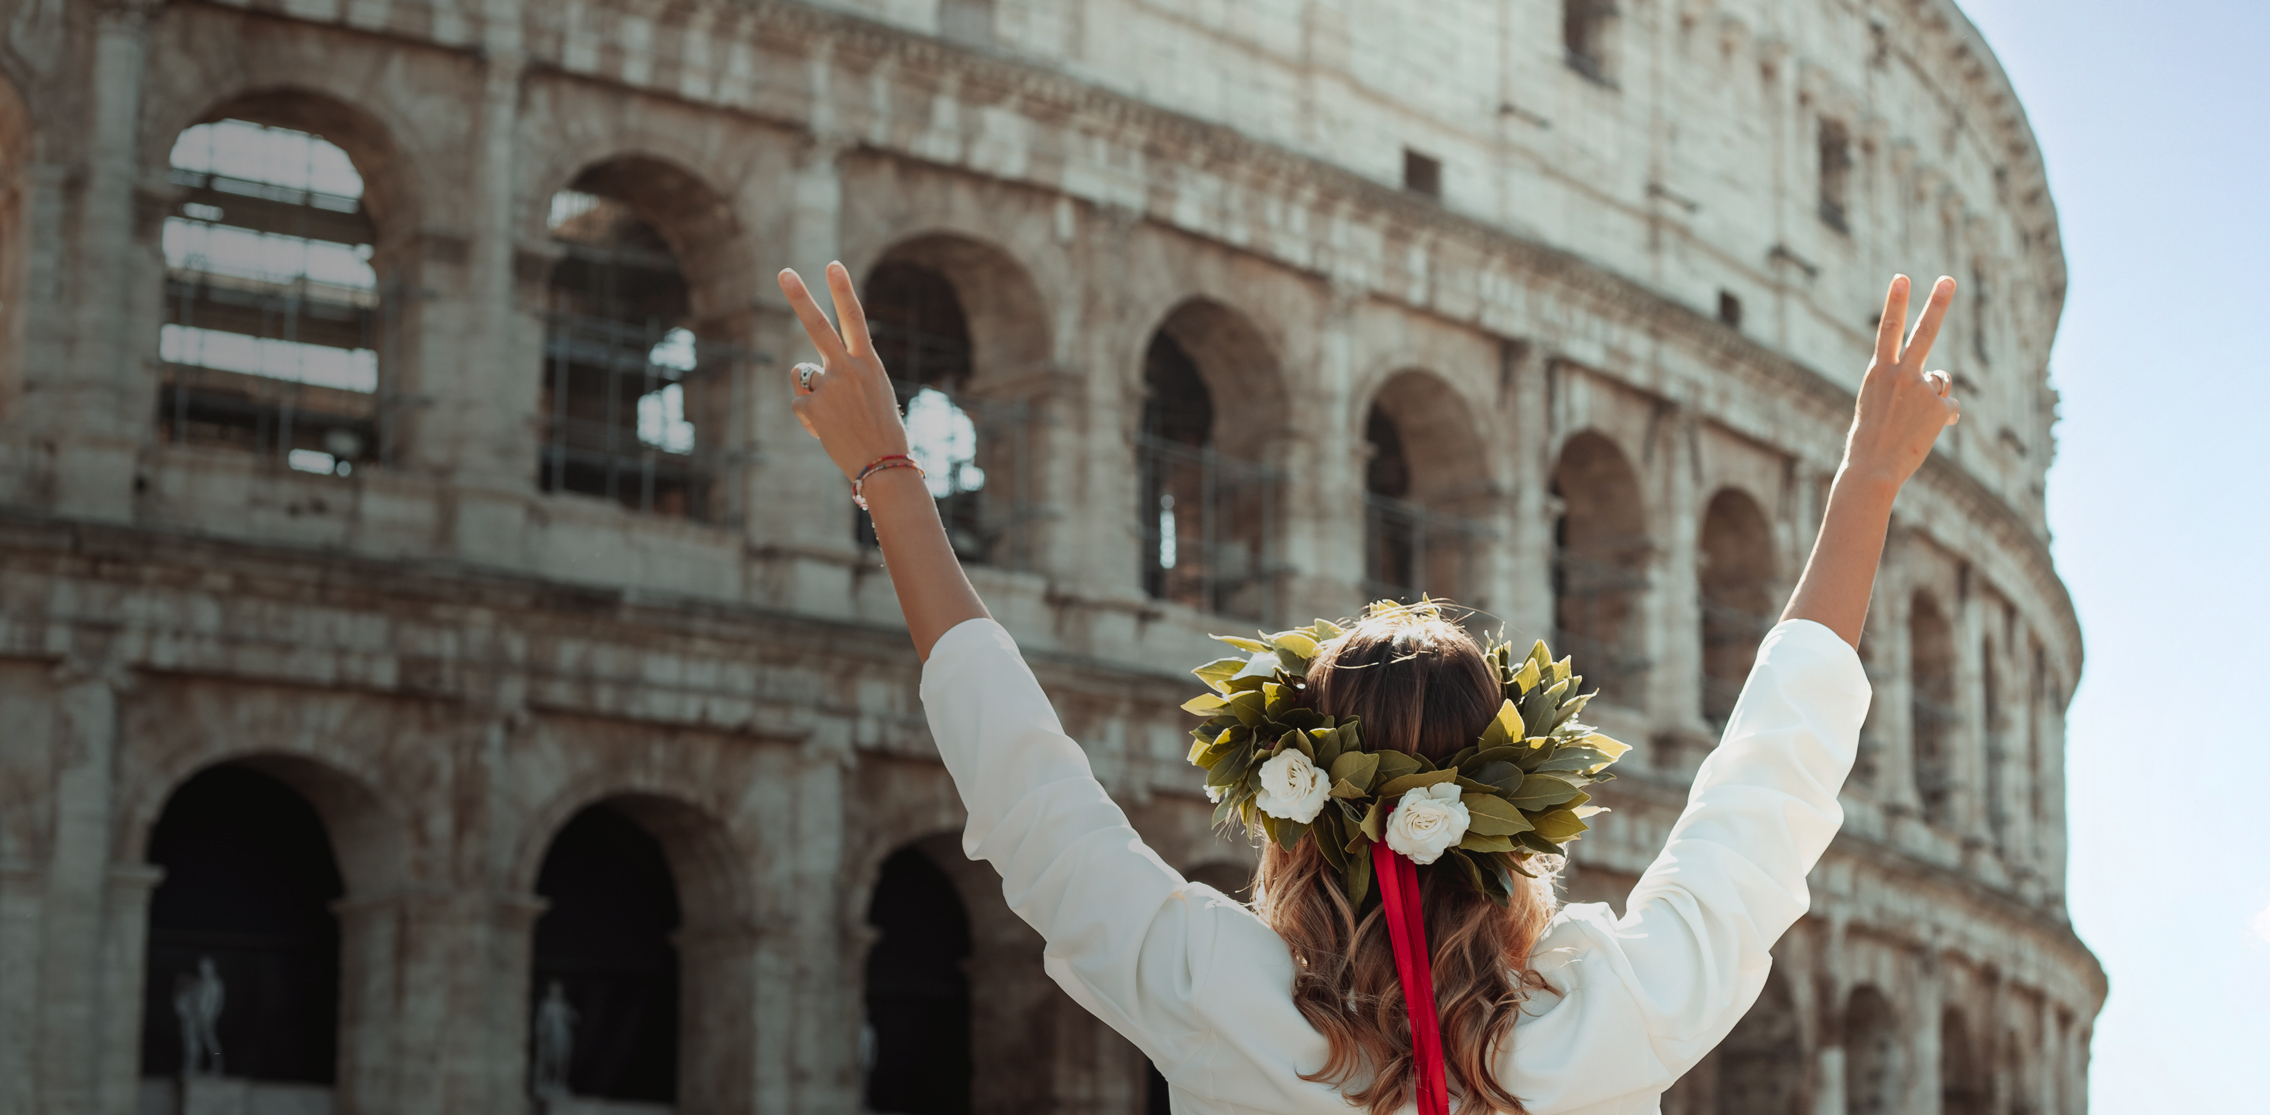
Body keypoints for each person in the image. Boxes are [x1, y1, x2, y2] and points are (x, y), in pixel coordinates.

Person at [777, 263, 1958, 1115]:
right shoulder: (1616, 1008)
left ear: (1293, 804)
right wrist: (1867, 478)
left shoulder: (1219, 994)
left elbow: (1021, 777)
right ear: (1513, 812)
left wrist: (889, 472)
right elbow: (1773, 773)